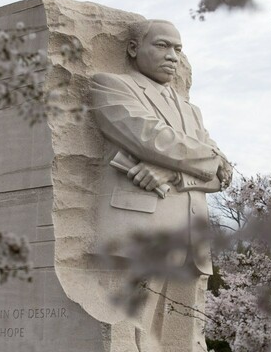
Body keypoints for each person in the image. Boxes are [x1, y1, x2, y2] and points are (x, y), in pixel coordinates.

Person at [88, 19, 231, 352]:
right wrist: (211, 158)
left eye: (178, 49)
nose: (173, 56)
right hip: (139, 230)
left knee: (180, 342)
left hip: (191, 238)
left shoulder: (190, 111)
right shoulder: (111, 86)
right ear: (134, 48)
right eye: (162, 46)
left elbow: (224, 174)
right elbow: (152, 139)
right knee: (127, 337)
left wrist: (175, 174)